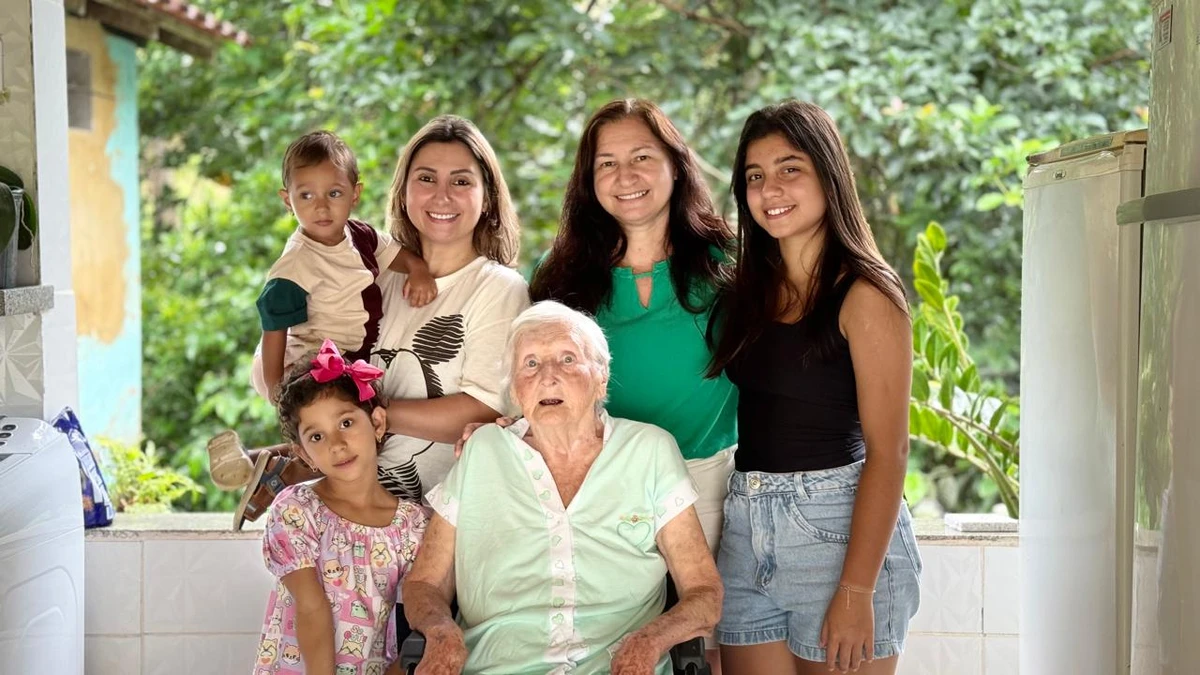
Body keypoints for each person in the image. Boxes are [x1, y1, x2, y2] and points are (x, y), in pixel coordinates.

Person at [706, 100, 922, 675]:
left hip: (837, 529)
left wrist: (856, 592)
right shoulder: (747, 292)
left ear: (828, 175)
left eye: (789, 168)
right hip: (745, 526)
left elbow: (890, 451)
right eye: (754, 176)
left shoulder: (867, 293)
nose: (769, 188)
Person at [232, 116, 530, 529]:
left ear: (487, 196)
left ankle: (276, 465)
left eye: (461, 181)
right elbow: (292, 365)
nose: (442, 195)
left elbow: (482, 411)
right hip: (348, 526)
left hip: (443, 531)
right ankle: (278, 465)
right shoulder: (371, 275)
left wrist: (371, 410)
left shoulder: (498, 288)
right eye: (426, 178)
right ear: (404, 192)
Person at [528, 98, 737, 671]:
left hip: (706, 480)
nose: (626, 177)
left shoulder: (730, 266)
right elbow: (532, 378)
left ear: (675, 164)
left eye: (642, 157)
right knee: (610, 650)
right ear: (588, 180)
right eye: (606, 164)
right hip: (600, 484)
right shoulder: (558, 275)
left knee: (703, 650)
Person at [404, 301, 723, 675]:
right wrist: (442, 633)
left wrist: (648, 642)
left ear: (601, 377)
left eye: (568, 359)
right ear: (515, 389)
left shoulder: (649, 450)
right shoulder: (483, 450)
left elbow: (705, 593)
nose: (547, 376)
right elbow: (425, 582)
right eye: (531, 363)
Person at [207, 130, 438, 491]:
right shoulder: (295, 265)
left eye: (334, 193)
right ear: (288, 200)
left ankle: (255, 467)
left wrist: (419, 270)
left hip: (333, 359)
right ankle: (269, 475)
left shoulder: (359, 235)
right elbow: (274, 330)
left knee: (346, 433)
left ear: (355, 194)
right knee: (352, 432)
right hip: (297, 360)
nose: (321, 206)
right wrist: (277, 390)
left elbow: (396, 255)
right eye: (306, 195)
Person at [254, 340, 429, 675]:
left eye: (346, 423)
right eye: (316, 437)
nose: (336, 445)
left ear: (377, 423)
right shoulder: (297, 510)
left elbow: (411, 633)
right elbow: (310, 606)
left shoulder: (414, 526)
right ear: (304, 455)